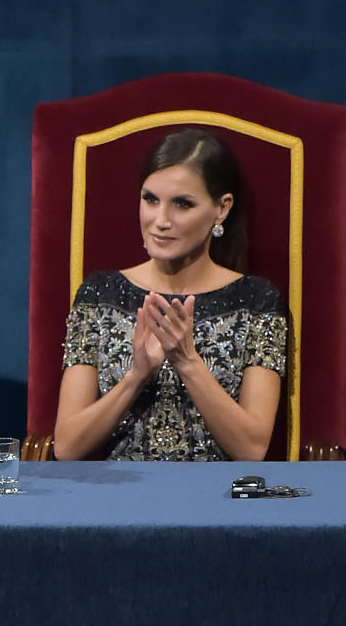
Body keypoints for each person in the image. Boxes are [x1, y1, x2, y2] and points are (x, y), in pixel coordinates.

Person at [53, 128, 287, 462]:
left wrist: (187, 362)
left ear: (222, 209)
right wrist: (136, 376)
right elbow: (66, 448)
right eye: (150, 199)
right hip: (117, 500)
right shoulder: (100, 293)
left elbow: (251, 449)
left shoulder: (257, 300)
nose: (159, 221)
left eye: (182, 204)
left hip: (216, 502)